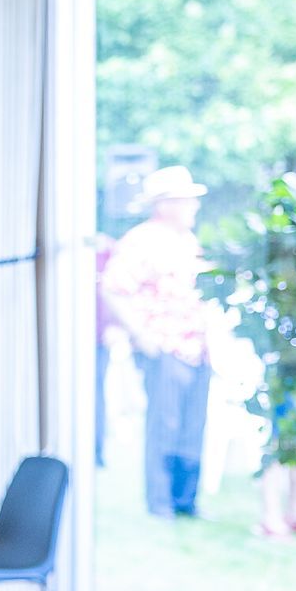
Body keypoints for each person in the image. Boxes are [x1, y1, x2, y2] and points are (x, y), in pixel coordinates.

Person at [101, 165, 216, 517]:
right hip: (165, 348)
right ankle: (161, 502)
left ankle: (186, 500)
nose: (194, 207)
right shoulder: (142, 240)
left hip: (198, 349)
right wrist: (144, 337)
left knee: (193, 424)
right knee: (164, 424)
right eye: (187, 200)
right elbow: (112, 288)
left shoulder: (188, 241)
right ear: (165, 204)